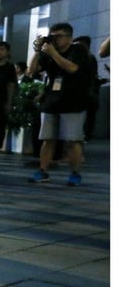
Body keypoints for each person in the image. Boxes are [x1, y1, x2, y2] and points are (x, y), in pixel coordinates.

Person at [28, 23, 90, 185]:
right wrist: (37, 51)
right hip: (51, 101)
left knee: (72, 140)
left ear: (69, 37)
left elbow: (72, 68)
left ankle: (75, 174)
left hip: (73, 102)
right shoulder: (48, 52)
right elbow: (31, 71)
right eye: (52, 36)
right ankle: (43, 171)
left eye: (59, 36)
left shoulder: (78, 50)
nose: (55, 39)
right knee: (48, 139)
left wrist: (53, 52)